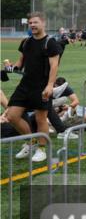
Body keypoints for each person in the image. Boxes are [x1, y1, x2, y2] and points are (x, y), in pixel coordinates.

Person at [6, 12, 61, 162]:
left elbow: (54, 65)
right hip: (25, 85)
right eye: (30, 23)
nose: (32, 25)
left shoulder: (50, 43)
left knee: (41, 118)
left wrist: (50, 85)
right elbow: (20, 63)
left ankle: (42, 149)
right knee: (12, 116)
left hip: (42, 86)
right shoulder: (26, 42)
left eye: (35, 22)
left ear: (43, 23)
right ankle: (31, 142)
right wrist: (10, 68)